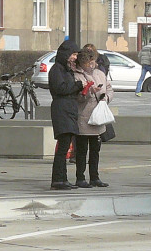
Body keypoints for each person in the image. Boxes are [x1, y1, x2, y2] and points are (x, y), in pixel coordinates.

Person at [72, 49, 112, 188]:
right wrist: (89, 92)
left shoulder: (100, 74)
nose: (92, 65)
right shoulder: (77, 76)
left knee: (95, 150)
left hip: (98, 116)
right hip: (84, 116)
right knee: (82, 150)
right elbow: (77, 97)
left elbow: (109, 89)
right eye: (89, 63)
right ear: (82, 63)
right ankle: (80, 177)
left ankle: (95, 177)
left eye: (93, 62)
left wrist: (105, 98)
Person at [48, 39, 83, 190]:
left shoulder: (66, 70)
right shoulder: (57, 70)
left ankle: (63, 178)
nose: (75, 57)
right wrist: (76, 86)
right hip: (62, 110)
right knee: (62, 147)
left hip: (68, 110)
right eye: (73, 54)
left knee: (65, 145)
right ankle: (58, 179)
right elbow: (60, 88)